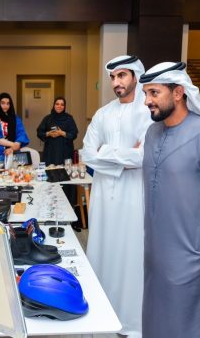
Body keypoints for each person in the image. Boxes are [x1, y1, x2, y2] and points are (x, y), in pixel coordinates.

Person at [140, 62, 200, 338]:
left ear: (178, 93)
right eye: (146, 93)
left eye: (154, 93)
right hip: (156, 253)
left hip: (194, 256)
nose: (147, 101)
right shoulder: (151, 133)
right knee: (156, 320)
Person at [81, 55, 151, 338]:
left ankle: (130, 321)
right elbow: (87, 154)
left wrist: (105, 153)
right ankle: (101, 314)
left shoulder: (147, 111)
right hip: (102, 198)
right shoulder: (102, 113)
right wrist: (123, 155)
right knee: (102, 250)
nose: (116, 82)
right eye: (112, 77)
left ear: (135, 76)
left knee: (131, 253)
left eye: (122, 75)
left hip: (133, 196)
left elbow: (143, 156)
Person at [0, 92, 29, 164]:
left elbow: (21, 134)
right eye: (2, 103)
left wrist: (12, 148)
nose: (5, 106)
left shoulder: (16, 119)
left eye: (8, 103)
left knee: (15, 174)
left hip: (14, 154)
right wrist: (13, 145)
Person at [37, 97, 78, 166]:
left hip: (65, 151)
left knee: (65, 173)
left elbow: (74, 134)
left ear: (64, 106)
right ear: (54, 105)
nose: (59, 106)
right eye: (57, 104)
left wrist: (62, 133)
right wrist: (48, 133)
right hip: (50, 151)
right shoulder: (47, 118)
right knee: (50, 172)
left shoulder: (69, 119)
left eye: (62, 104)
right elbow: (39, 132)